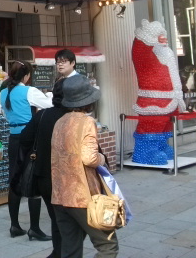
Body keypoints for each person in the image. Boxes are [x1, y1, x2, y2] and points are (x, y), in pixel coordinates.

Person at [51, 74, 118, 258]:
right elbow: (89, 158)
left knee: (70, 250)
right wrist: (102, 159)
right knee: (107, 245)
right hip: (82, 196)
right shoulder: (87, 122)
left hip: (59, 195)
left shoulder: (60, 122)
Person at [19, 50, 75, 258]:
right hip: (68, 177)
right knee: (68, 220)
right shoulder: (75, 118)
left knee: (55, 216)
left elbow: (24, 138)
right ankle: (65, 252)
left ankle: (58, 252)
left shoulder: (42, 115)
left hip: (44, 176)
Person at [0, 60, 52, 241]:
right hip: (30, 138)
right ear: (27, 75)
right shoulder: (29, 91)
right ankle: (34, 228)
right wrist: (50, 94)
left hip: (13, 138)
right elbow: (49, 104)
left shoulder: (3, 92)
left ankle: (14, 226)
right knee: (33, 179)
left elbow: (5, 115)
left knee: (15, 179)